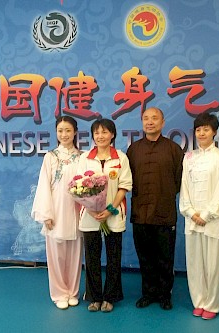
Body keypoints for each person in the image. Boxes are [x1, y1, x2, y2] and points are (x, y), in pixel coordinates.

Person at [126, 107, 183, 310]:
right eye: (146, 118)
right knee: (145, 257)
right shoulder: (133, 150)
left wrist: (164, 196)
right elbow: (127, 179)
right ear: (142, 122)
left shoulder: (174, 149)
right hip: (140, 213)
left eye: (154, 118)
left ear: (163, 122)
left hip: (164, 212)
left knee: (165, 257)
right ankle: (148, 293)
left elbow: (179, 181)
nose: (150, 122)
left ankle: (165, 294)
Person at [179, 112, 219, 320]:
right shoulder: (189, 157)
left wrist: (207, 214)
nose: (201, 133)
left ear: (215, 132)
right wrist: (190, 212)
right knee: (195, 263)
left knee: (213, 264)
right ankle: (199, 300)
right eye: (198, 129)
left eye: (206, 129)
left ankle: (212, 304)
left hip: (214, 220)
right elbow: (184, 188)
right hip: (192, 219)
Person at [77, 118, 132, 313]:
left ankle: (110, 296)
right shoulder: (85, 158)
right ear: (93, 136)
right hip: (90, 214)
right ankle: (94, 297)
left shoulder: (121, 158)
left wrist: (110, 209)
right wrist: (91, 208)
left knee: (113, 256)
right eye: (97, 133)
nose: (100, 136)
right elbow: (78, 186)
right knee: (91, 257)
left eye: (105, 132)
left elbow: (125, 185)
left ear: (112, 135)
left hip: (113, 213)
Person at [31, 116, 83, 310]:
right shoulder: (50, 157)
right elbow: (44, 186)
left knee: (75, 254)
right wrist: (46, 214)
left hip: (76, 210)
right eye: (60, 130)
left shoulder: (82, 156)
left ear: (75, 132)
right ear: (56, 133)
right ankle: (59, 293)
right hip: (56, 210)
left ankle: (72, 291)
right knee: (56, 255)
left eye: (68, 130)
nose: (64, 134)